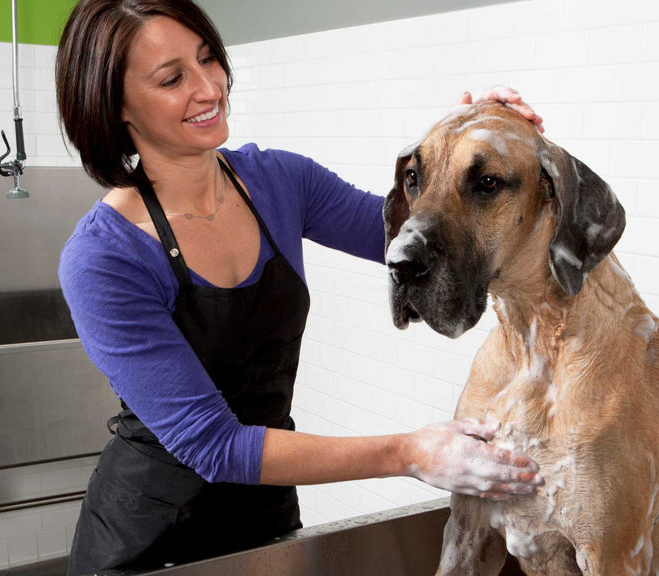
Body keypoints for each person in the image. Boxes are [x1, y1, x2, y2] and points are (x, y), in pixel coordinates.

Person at [54, 0, 546, 573]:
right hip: (146, 542)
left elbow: (410, 237)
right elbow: (213, 444)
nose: (209, 87)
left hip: (267, 524)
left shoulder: (279, 181)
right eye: (172, 78)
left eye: (208, 58)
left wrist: (470, 146)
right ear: (114, 107)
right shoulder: (103, 258)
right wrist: (413, 452)